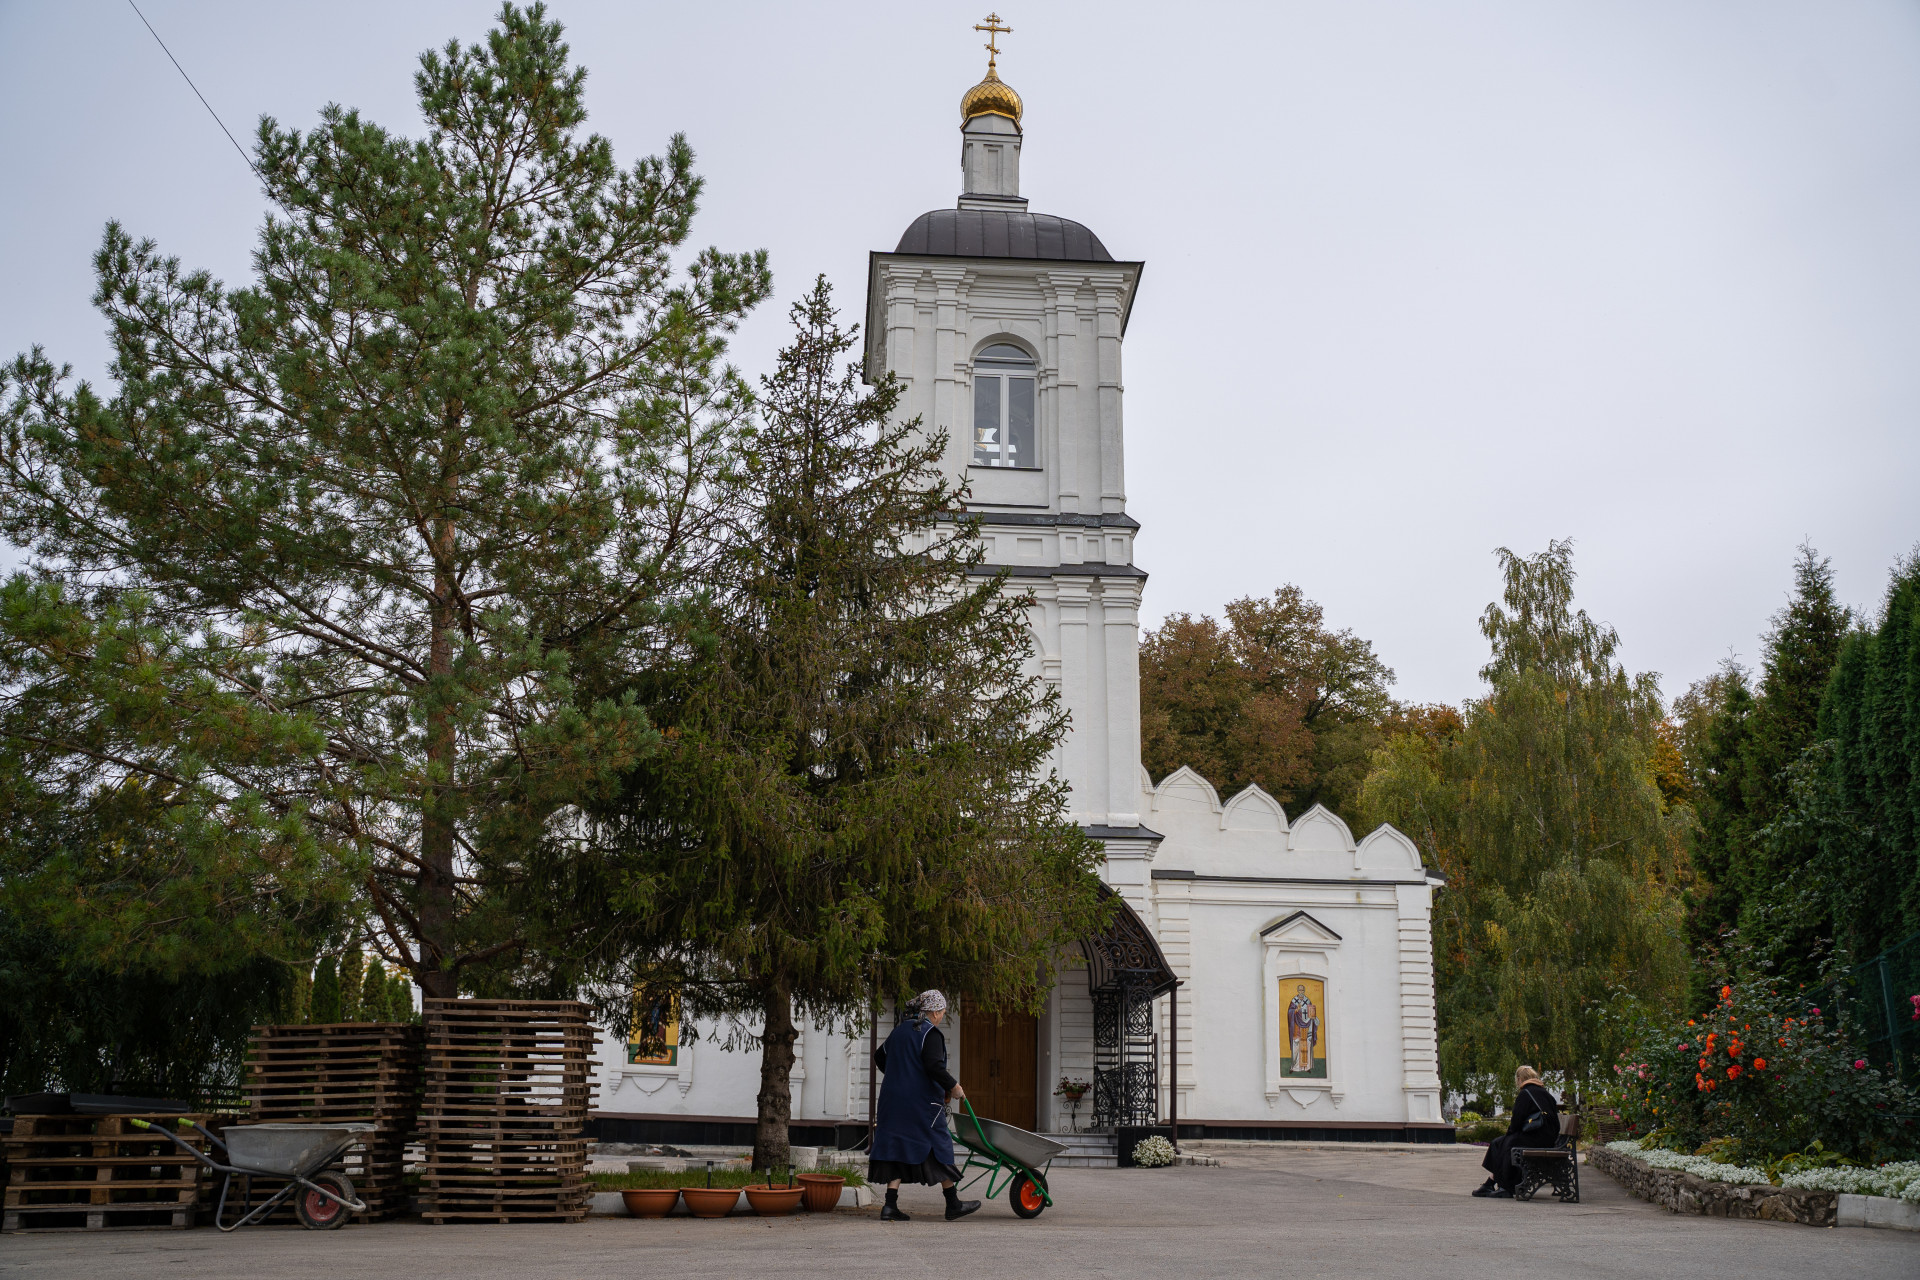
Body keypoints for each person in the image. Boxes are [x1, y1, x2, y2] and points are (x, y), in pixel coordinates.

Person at [869, 989, 981, 1222]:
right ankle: (953, 1204)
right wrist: (954, 1087)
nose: (942, 1016)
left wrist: (899, 1076)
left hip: (892, 1102)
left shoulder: (900, 1030)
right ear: (933, 1011)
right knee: (939, 1144)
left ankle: (889, 1206)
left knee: (898, 1147)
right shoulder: (929, 1033)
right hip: (921, 1103)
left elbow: (880, 1057)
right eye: (941, 1012)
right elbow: (933, 1066)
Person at [1473, 1065, 1560, 1198]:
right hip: (1547, 1137)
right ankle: (1491, 1183)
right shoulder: (1546, 1094)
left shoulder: (1525, 1094)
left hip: (1536, 1137)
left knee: (1506, 1143)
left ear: (1520, 1079)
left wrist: (1510, 1132)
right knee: (1501, 1142)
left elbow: (1516, 1120)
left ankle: (1505, 1187)